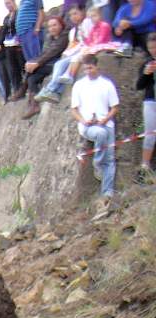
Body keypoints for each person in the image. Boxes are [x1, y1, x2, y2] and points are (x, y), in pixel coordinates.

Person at [71, 53, 119, 211]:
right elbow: (74, 109)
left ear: (96, 66)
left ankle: (107, 192)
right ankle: (97, 163)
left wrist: (105, 120)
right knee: (100, 134)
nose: (88, 71)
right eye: (85, 69)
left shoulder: (107, 84)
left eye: (90, 68)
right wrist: (83, 120)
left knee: (110, 158)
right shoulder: (79, 85)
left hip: (106, 123)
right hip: (88, 125)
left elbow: (115, 108)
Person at [34, 6, 93, 103]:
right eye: (70, 15)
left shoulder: (87, 23)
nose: (73, 17)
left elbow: (88, 38)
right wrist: (66, 54)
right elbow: (71, 45)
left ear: (82, 12)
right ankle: (56, 93)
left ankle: (50, 89)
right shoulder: (73, 31)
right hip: (75, 52)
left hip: (86, 49)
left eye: (75, 13)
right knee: (59, 64)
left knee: (64, 64)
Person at [21, 16, 69, 119]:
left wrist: (37, 64)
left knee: (31, 71)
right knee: (32, 78)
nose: (52, 28)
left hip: (59, 64)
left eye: (55, 25)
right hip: (48, 63)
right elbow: (44, 53)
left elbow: (53, 52)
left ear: (61, 25)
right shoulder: (50, 38)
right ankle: (34, 105)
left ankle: (23, 90)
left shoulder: (64, 36)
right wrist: (33, 62)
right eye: (50, 26)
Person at [136, 32, 156, 177]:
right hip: (151, 101)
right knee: (150, 135)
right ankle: (145, 167)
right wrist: (146, 74)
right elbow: (139, 86)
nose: (153, 51)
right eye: (151, 48)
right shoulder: (147, 62)